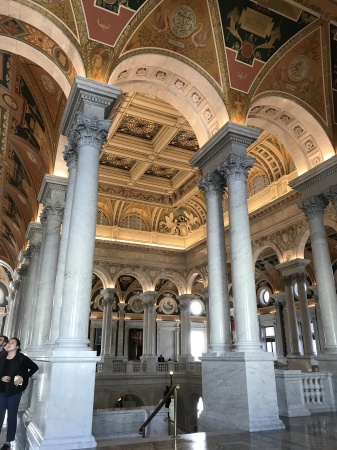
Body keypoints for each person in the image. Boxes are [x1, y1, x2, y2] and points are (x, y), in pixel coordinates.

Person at [0, 338, 38, 449]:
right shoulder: (1, 357)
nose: (9, 344)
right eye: (9, 342)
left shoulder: (21, 358)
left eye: (13, 342)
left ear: (17, 347)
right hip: (1, 391)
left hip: (14, 392)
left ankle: (8, 442)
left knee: (11, 417)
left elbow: (34, 367)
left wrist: (23, 377)